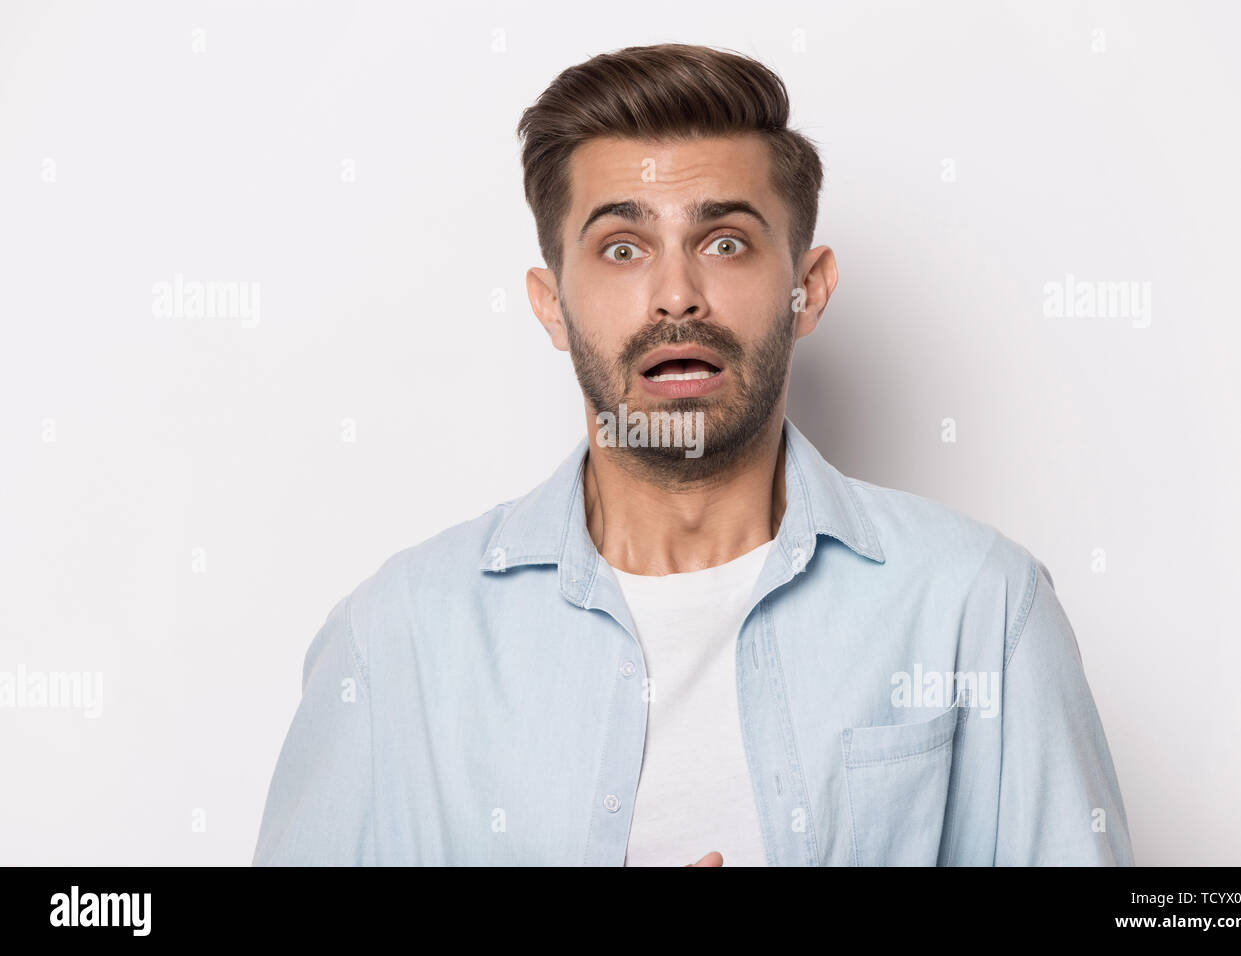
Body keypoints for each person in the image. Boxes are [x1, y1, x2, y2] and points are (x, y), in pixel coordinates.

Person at [252, 42, 1134, 867]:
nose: (677, 294)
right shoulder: (397, 639)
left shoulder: (977, 607)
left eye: (725, 242)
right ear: (552, 305)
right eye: (623, 248)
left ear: (808, 288)